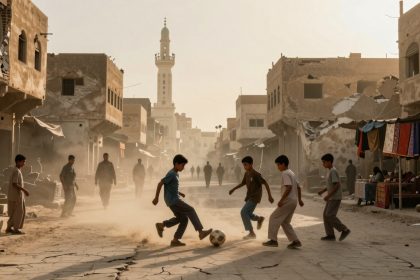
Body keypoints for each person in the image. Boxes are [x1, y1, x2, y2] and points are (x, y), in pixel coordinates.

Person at [153, 154, 213, 246]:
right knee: (191, 209)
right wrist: (156, 197)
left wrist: (180, 193)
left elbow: (171, 187)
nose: (183, 167)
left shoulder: (176, 173)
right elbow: (160, 183)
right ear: (176, 164)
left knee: (183, 219)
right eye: (183, 165)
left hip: (172, 200)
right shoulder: (171, 174)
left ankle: (171, 235)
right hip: (174, 201)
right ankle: (201, 232)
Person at [263, 155, 304, 248]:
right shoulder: (291, 173)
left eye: (278, 165)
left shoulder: (285, 173)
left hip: (288, 200)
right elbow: (298, 187)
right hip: (293, 201)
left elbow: (288, 187)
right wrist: (300, 199)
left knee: (273, 217)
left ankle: (273, 240)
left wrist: (281, 200)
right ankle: (295, 241)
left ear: (283, 164)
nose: (278, 167)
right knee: (285, 222)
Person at [229, 156, 274, 240]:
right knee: (248, 213)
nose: (244, 167)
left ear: (251, 164)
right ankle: (259, 218)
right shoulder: (246, 173)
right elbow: (242, 183)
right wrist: (233, 189)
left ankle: (251, 233)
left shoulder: (256, 174)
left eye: (246, 165)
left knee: (243, 212)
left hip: (255, 197)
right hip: (249, 196)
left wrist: (270, 196)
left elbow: (265, 183)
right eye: (243, 165)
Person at [318, 153, 351, 241]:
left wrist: (328, 195)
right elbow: (330, 184)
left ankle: (344, 229)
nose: (323, 164)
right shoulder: (329, 171)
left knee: (329, 215)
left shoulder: (333, 171)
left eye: (324, 162)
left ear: (329, 162)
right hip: (331, 197)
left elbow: (336, 185)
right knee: (326, 215)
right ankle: (330, 235)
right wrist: (323, 191)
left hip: (335, 197)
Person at [6, 154, 30, 234]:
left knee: (14, 212)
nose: (24, 163)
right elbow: (14, 184)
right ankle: (16, 229)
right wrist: (24, 190)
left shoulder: (17, 170)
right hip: (16, 195)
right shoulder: (16, 171)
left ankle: (9, 228)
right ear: (18, 161)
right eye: (23, 161)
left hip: (16, 195)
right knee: (19, 212)